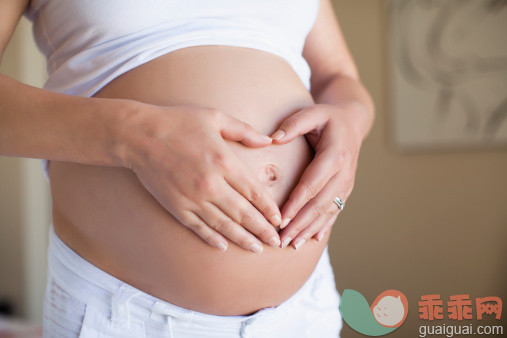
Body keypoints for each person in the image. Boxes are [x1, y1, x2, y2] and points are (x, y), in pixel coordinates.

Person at [0, 0, 374, 336]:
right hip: (124, 315)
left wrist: (352, 122)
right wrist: (136, 136)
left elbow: (337, 76)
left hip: (302, 313)